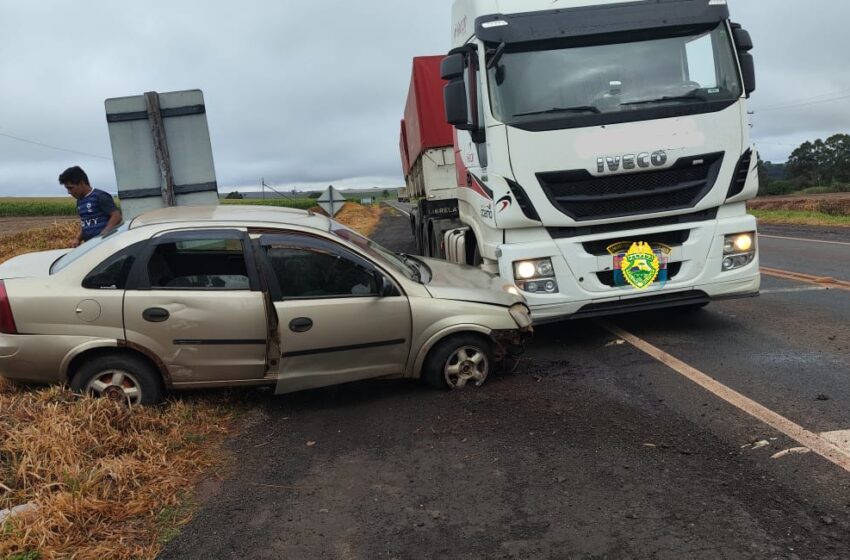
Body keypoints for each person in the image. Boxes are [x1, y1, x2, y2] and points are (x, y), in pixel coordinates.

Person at [58, 166, 122, 247]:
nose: (69, 192)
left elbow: (116, 216)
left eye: (71, 188)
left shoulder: (100, 196)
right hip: (90, 247)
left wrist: (103, 236)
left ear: (81, 183)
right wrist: (77, 239)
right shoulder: (79, 201)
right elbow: (86, 224)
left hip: (105, 245)